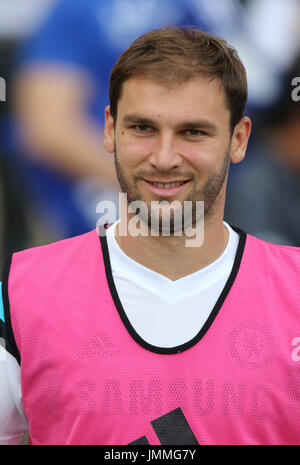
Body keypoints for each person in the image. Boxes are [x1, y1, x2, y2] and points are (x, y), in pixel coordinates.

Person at [0, 26, 300, 446]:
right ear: (109, 129)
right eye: (142, 128)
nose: (163, 157)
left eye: (193, 132)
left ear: (239, 139)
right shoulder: (22, 292)